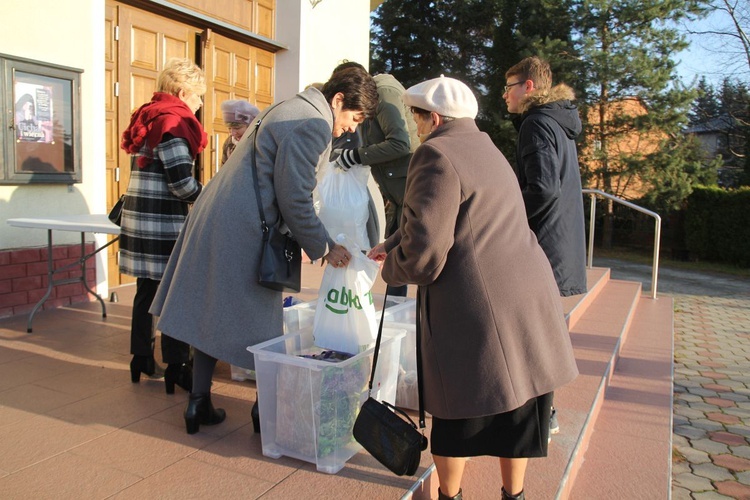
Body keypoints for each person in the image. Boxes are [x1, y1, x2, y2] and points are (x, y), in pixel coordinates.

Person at [368, 76, 578, 500]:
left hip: (479, 307)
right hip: (525, 293)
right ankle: (514, 496)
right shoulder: (487, 147)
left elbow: (426, 252)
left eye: (417, 117)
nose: (416, 126)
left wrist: (392, 267)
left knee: (455, 412)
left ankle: (450, 496)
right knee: (518, 409)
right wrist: (392, 242)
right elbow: (457, 212)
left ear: (436, 117)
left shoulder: (435, 152)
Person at [150, 66, 379, 434]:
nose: (353, 127)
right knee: (263, 325)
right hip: (244, 229)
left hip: (219, 215)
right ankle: (264, 414)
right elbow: (295, 198)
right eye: (355, 117)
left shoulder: (291, 106)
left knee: (213, 311)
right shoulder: (313, 124)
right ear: (338, 101)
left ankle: (198, 402)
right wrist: (324, 247)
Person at [504, 56, 588, 437]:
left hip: (545, 248)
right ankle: (543, 413)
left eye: (509, 87)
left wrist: (505, 217)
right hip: (561, 245)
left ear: (529, 87)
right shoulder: (558, 121)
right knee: (544, 332)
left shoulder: (536, 124)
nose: (504, 96)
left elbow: (542, 188)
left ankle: (539, 417)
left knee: (535, 334)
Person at [119, 57, 206, 394]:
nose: (200, 104)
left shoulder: (148, 115)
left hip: (140, 218)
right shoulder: (173, 122)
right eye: (198, 96)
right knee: (175, 294)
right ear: (182, 91)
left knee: (147, 291)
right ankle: (176, 365)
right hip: (164, 223)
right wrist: (210, 194)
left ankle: (140, 358)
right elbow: (182, 185)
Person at [332, 61, 419, 296]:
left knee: (408, 259)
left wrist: (357, 156)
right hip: (398, 192)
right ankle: (393, 318)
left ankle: (403, 320)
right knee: (395, 259)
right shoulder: (373, 98)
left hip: (410, 190)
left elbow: (401, 143)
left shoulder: (384, 93)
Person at [220, 99, 260, 165]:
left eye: (237, 128)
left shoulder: (260, 142)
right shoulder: (229, 143)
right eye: (229, 128)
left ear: (251, 126)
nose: (232, 133)